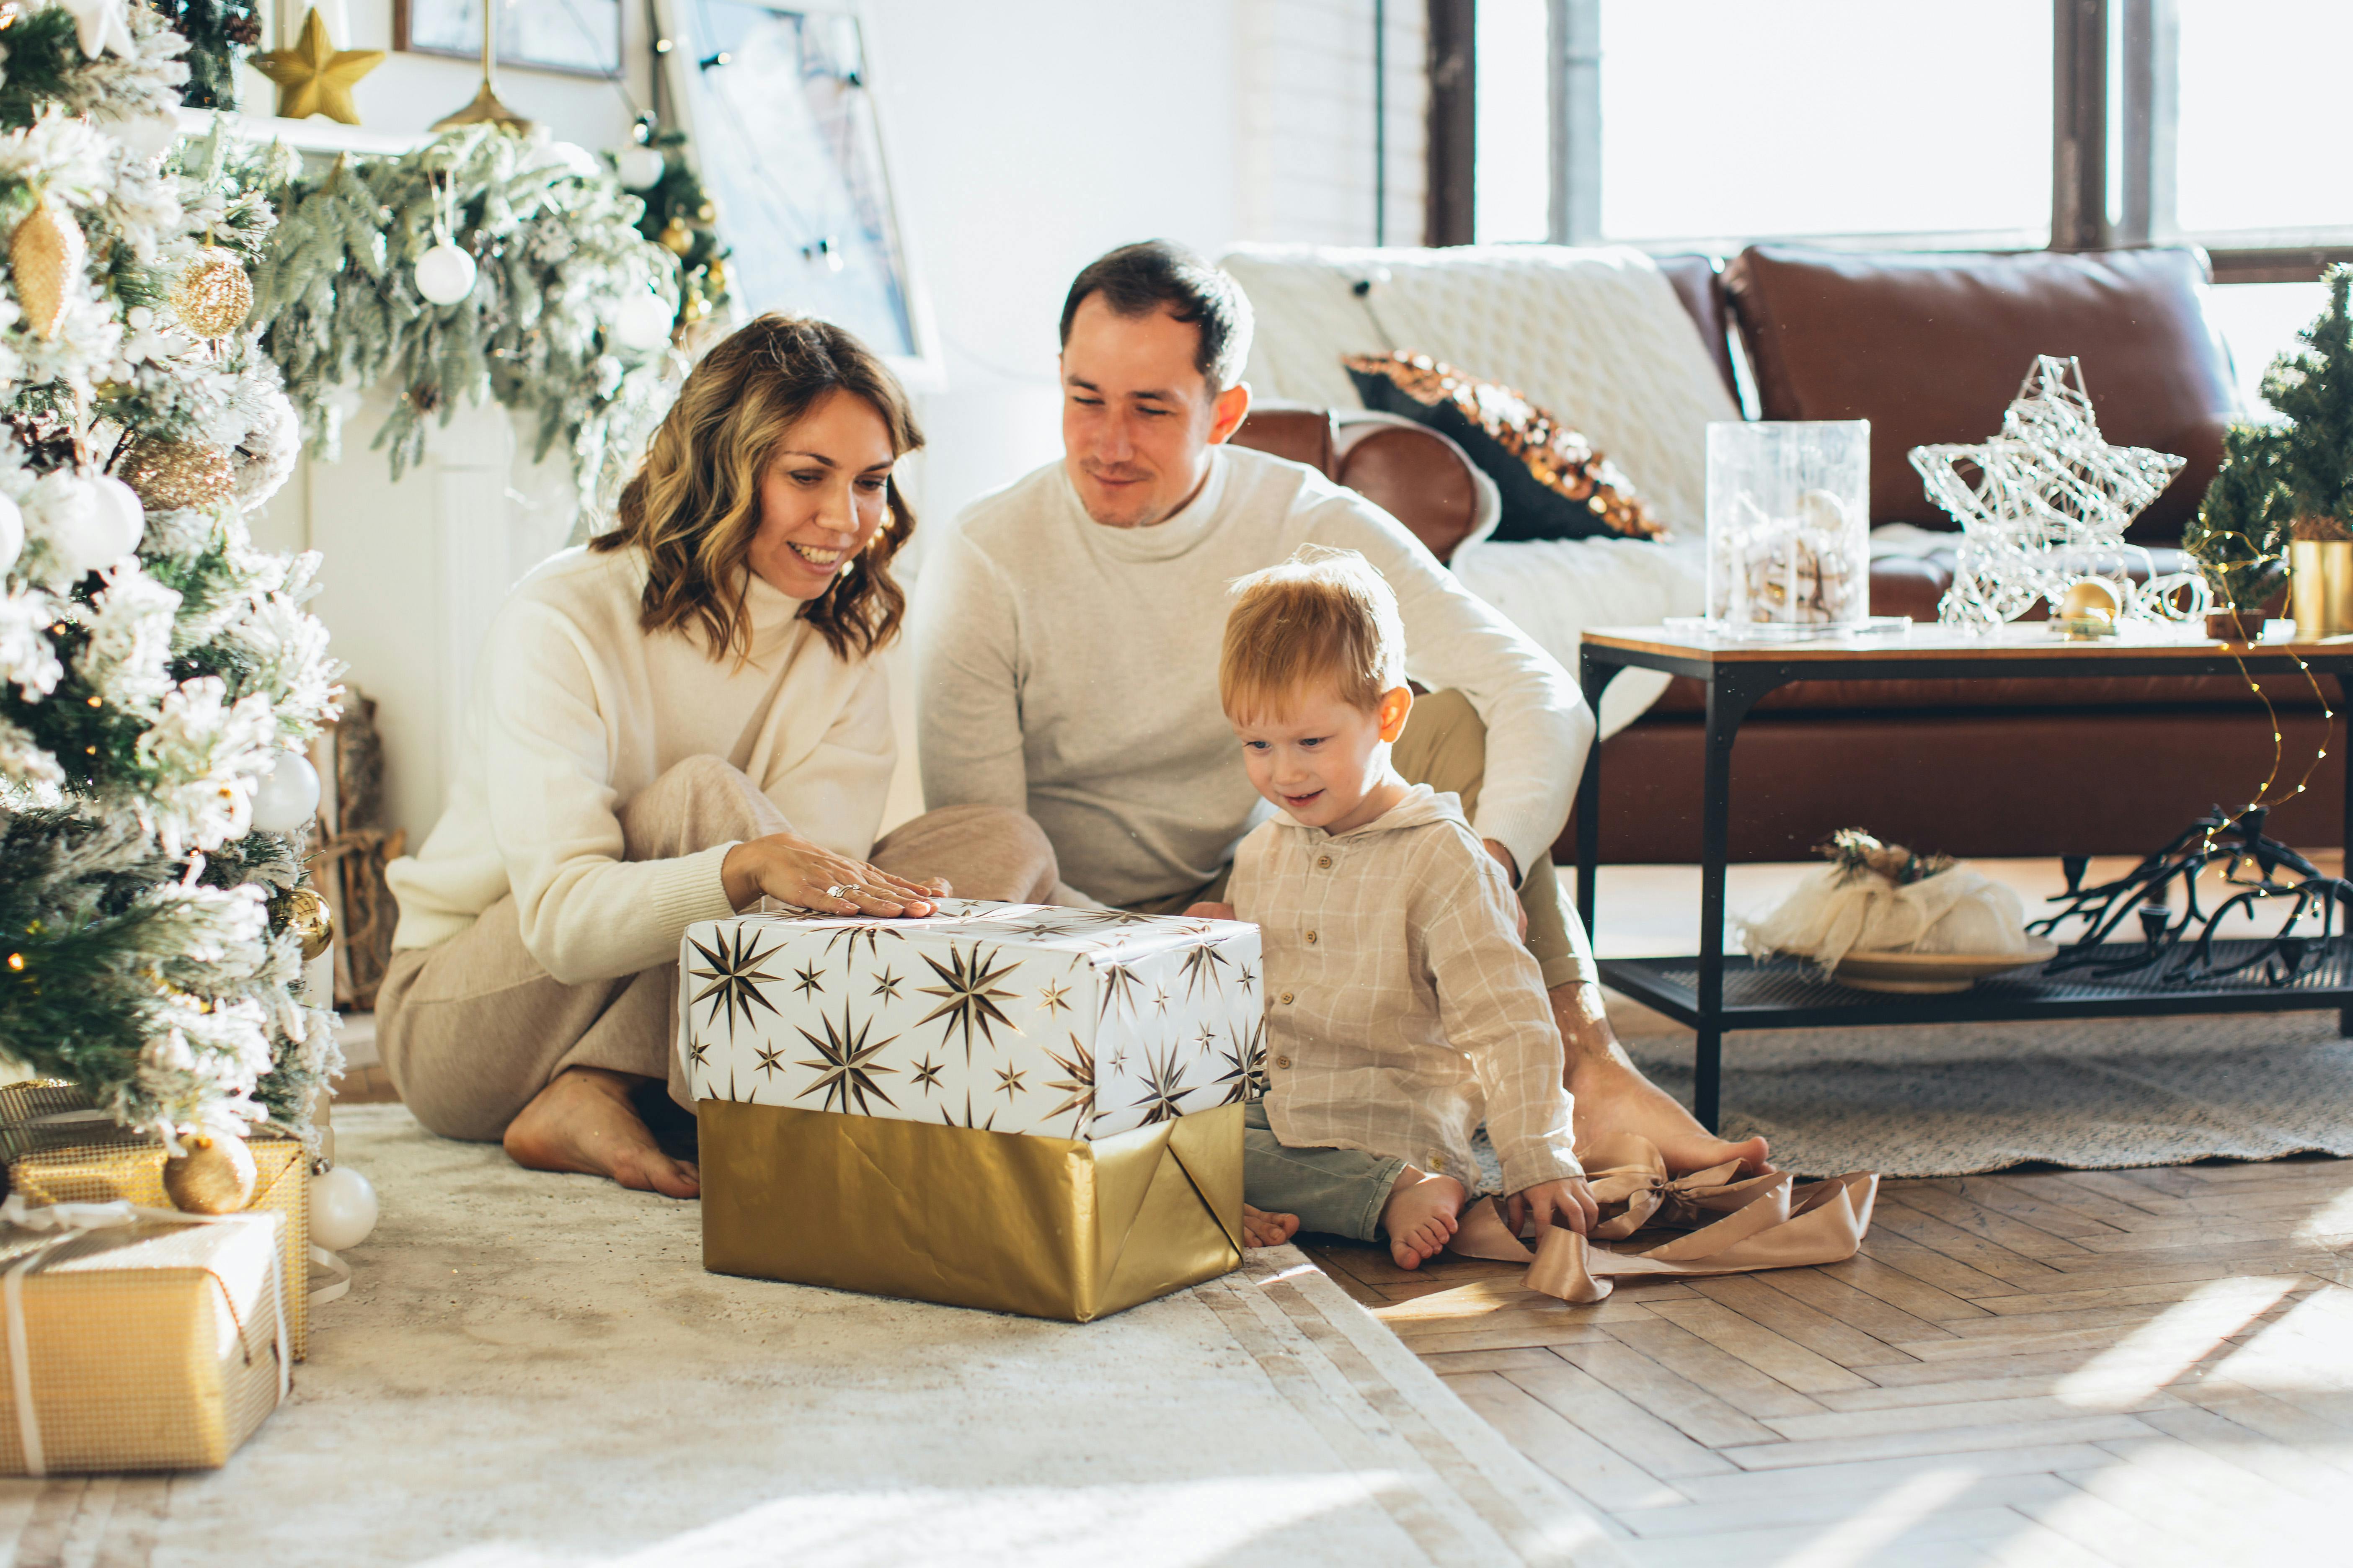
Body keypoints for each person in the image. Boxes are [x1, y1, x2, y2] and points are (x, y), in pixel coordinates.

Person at [917, 240, 1765, 1179]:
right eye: (1085, 400)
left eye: (1151, 409)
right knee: (985, 845)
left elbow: (1538, 691)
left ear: (1224, 414)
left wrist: (1488, 861)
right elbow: (987, 853)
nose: (1109, 444)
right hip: (1083, 932)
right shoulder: (988, 552)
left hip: (1274, 885)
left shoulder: (1304, 518)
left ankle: (1590, 1072)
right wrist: (1165, 943)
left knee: (1455, 729)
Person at [380, 314, 1058, 1199]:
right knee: (708, 804)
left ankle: (609, 1089)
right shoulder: (563, 618)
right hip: (475, 1018)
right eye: (806, 476)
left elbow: (811, 924)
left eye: (871, 482)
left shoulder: (844, 638)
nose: (845, 520)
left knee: (996, 843)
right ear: (720, 468)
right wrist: (740, 866)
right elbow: (563, 925)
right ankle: (770, 1130)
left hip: (682, 1016)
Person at [1205, 549, 1598, 1266]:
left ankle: (1396, 1192)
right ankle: (1265, 1193)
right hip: (1278, 1109)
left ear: (1386, 716)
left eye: (1310, 742)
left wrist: (1538, 1156)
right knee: (1149, 1137)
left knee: (1195, 1164)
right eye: (1256, 744)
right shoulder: (1262, 850)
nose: (1282, 770)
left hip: (1388, 1117)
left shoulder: (1443, 857)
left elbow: (1507, 1020)